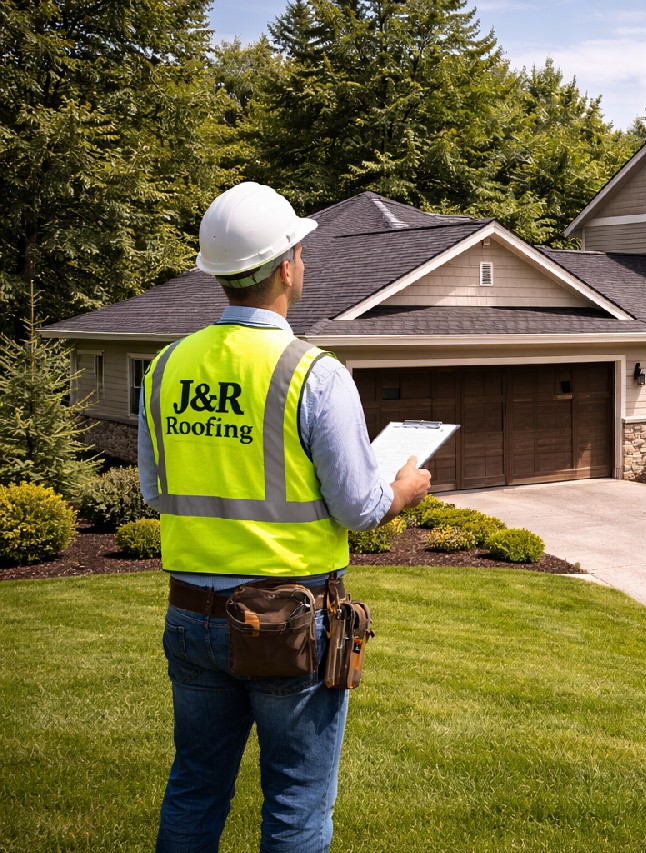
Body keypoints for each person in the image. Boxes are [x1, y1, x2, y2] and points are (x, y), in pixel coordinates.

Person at [138, 181, 433, 852]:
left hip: (190, 615)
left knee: (194, 786)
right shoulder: (312, 373)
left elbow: (156, 491)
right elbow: (359, 507)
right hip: (291, 623)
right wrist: (405, 488)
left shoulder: (164, 368)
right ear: (286, 265)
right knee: (296, 804)